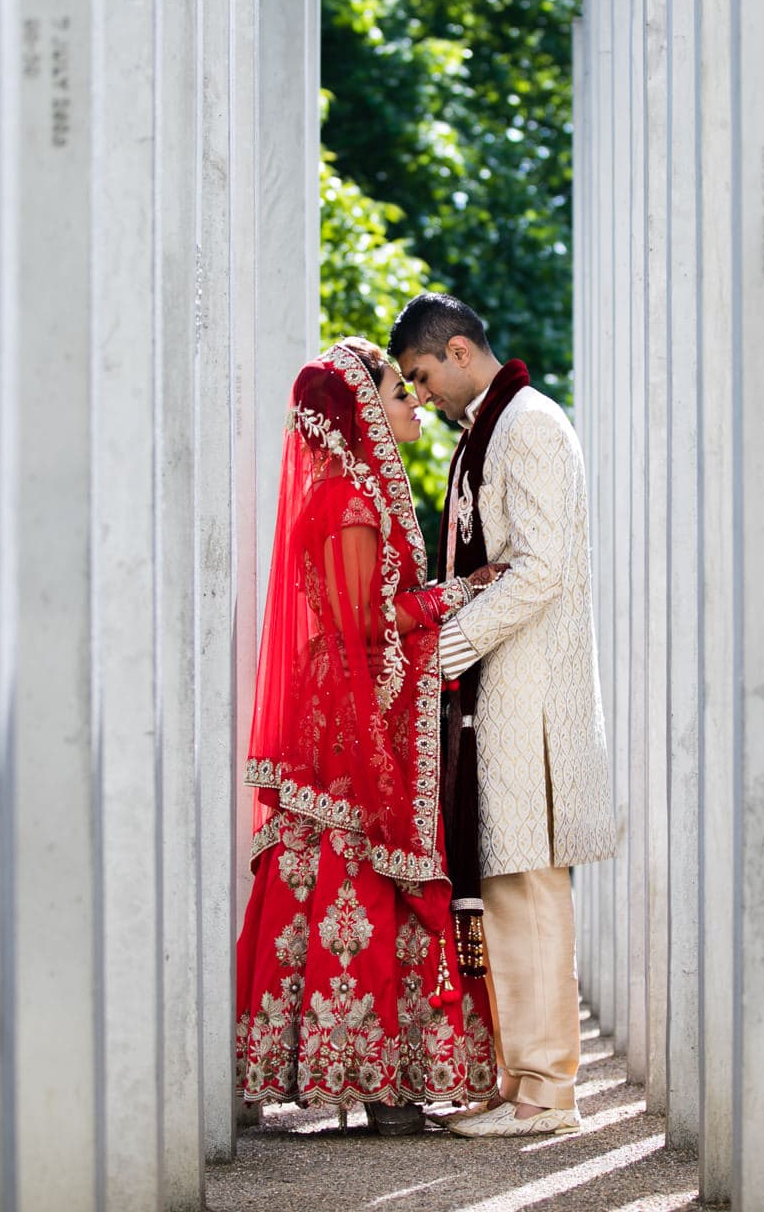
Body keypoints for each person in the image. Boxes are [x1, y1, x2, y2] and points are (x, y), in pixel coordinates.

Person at [234, 337, 504, 1136]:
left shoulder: (350, 495)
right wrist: (454, 599)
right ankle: (385, 1085)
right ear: (361, 418)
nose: (413, 402)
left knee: (327, 874)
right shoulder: (351, 504)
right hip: (351, 717)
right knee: (364, 873)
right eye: (397, 393)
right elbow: (364, 631)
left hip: (349, 706)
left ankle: (357, 1077)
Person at [390, 293, 615, 1139]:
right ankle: (515, 1077)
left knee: (530, 886)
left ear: (455, 351)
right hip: (499, 693)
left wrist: (444, 649)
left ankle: (547, 1092)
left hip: (530, 692)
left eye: (421, 376)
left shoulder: (528, 424)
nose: (421, 395)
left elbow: (542, 567)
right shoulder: (491, 426)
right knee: (505, 887)